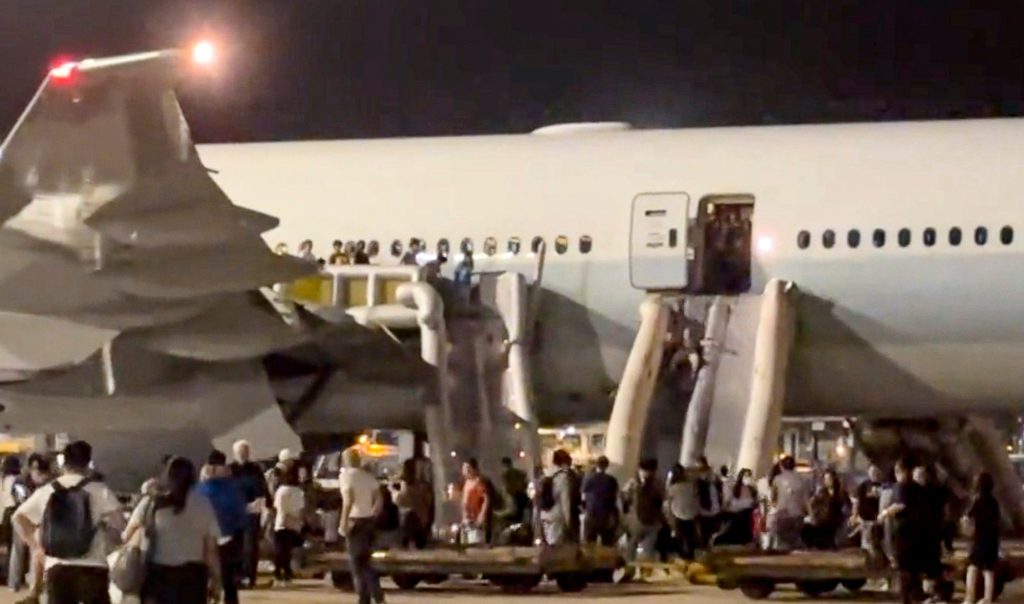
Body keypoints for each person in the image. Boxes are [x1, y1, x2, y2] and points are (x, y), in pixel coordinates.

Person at [13, 441, 124, 604]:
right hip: (93, 568)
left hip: (57, 567)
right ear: (88, 463)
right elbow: (120, 526)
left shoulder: (48, 489)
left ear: (64, 462)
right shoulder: (100, 490)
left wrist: (36, 547)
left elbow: (18, 517)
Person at [122, 457, 221, 604]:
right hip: (193, 578)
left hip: (158, 576)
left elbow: (127, 535)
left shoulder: (151, 502)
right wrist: (217, 579)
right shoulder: (203, 505)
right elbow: (210, 550)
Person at [197, 450, 247, 604]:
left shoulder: (199, 490)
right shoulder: (233, 489)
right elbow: (241, 516)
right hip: (228, 538)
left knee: (202, 579)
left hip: (203, 540)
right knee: (229, 580)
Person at [340, 447, 384, 604]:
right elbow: (379, 500)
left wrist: (343, 521)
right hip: (368, 521)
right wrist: (373, 513)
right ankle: (378, 596)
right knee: (366, 561)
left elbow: (348, 500)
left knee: (356, 564)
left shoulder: (346, 476)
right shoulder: (368, 477)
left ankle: (363, 598)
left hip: (355, 520)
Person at [879, 458, 927, 604]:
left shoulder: (902, 487)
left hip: (903, 533)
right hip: (917, 534)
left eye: (898, 471)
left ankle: (906, 598)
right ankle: (916, 596)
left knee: (904, 569)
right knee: (914, 570)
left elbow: (900, 505)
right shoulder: (918, 488)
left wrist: (885, 513)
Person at [229, 439, 270, 589]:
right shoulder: (229, 469)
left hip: (252, 511)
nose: (244, 454)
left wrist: (265, 505)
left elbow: (263, 489)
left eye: (246, 452)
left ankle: (249, 577)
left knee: (250, 545)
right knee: (235, 544)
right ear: (235, 453)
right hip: (234, 512)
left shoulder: (255, 469)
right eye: (241, 452)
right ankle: (236, 576)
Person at [964, 472, 1000, 604]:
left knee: (973, 568)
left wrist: (968, 530)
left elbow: (967, 517)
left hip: (978, 539)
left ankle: (970, 596)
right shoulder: (994, 502)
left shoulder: (976, 500)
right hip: (992, 539)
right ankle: (987, 598)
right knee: (988, 571)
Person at [915, 465, 948, 601]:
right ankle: (933, 593)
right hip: (929, 533)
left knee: (930, 565)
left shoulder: (928, 491)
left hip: (930, 533)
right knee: (931, 565)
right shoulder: (933, 490)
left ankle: (933, 593)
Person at [623, 458, 665, 562]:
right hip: (639, 520)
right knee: (633, 547)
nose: (648, 473)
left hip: (650, 521)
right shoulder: (634, 483)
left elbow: (662, 501)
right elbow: (625, 498)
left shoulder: (657, 484)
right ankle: (631, 568)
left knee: (646, 550)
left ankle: (644, 570)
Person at [271, 465, 305, 587]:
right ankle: (287, 574)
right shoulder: (299, 492)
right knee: (288, 551)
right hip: (294, 525)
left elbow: (279, 508)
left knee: (279, 551)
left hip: (281, 523)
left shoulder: (281, 490)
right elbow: (301, 510)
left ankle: (278, 573)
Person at [539, 450, 581, 545]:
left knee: (549, 543)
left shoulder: (546, 474)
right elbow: (565, 500)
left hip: (545, 514)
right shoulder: (563, 477)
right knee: (556, 546)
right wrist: (567, 521)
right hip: (557, 516)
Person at [770, 455, 810, 550]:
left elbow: (773, 499)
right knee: (794, 541)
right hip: (798, 516)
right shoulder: (803, 480)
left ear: (782, 466)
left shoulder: (777, 479)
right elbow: (806, 499)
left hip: (782, 515)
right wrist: (811, 514)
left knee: (782, 542)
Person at [803, 468, 847, 550]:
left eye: (829, 479)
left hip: (834, 521)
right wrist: (813, 515)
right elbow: (812, 503)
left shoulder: (840, 493)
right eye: (826, 479)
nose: (827, 481)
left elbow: (845, 507)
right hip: (821, 520)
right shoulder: (822, 492)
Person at [394, 459, 432, 549]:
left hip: (413, 522)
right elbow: (428, 502)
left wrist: (393, 491)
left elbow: (401, 500)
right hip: (422, 520)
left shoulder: (407, 487)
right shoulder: (424, 486)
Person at [582, 456, 620, 546]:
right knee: (607, 544)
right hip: (605, 515)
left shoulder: (588, 479)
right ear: (607, 466)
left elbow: (583, 496)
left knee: (589, 545)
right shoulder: (611, 480)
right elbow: (614, 498)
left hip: (591, 514)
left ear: (596, 465)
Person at [852, 465, 885, 566]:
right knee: (868, 544)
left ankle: (879, 565)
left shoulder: (885, 485)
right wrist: (855, 515)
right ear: (868, 472)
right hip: (866, 519)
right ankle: (869, 565)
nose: (874, 474)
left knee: (879, 544)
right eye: (872, 471)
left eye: (876, 471)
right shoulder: (864, 486)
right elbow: (856, 501)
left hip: (880, 519)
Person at [666, 464, 700, 558]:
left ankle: (681, 559)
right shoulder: (691, 486)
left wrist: (670, 518)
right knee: (690, 540)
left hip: (678, 515)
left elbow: (669, 504)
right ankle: (690, 558)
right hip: (691, 515)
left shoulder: (673, 488)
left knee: (679, 540)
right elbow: (695, 500)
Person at [718, 468, 757, 546]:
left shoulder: (733, 485)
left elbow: (728, 500)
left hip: (739, 512)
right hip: (741, 513)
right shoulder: (742, 487)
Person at [460, 458, 492, 545]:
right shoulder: (466, 483)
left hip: (476, 520)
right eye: (463, 469)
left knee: (476, 544)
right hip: (467, 519)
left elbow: (486, 499)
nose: (464, 471)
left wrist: (482, 515)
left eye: (467, 469)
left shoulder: (478, 482)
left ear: (473, 469)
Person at [695, 456, 721, 549]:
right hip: (704, 507)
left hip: (709, 507)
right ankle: (704, 546)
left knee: (707, 531)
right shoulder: (699, 477)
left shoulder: (712, 476)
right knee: (703, 531)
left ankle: (705, 546)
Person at [500, 457, 530, 524]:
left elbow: (507, 488)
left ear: (504, 465)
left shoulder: (506, 474)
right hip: (522, 497)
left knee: (514, 517)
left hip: (515, 499)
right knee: (521, 518)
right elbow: (525, 480)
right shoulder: (518, 472)